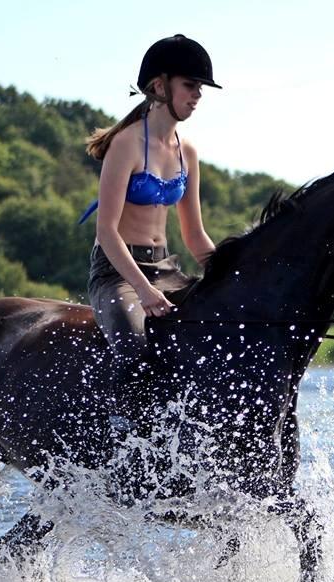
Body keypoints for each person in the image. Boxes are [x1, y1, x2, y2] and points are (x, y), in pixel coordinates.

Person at [82, 34, 222, 432]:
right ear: (159, 87)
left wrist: (227, 276)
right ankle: (122, 438)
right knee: (136, 349)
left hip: (167, 268)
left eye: (200, 88)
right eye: (190, 85)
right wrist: (143, 290)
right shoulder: (125, 145)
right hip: (118, 273)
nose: (197, 95)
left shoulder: (186, 150)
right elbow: (106, 232)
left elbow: (194, 235)